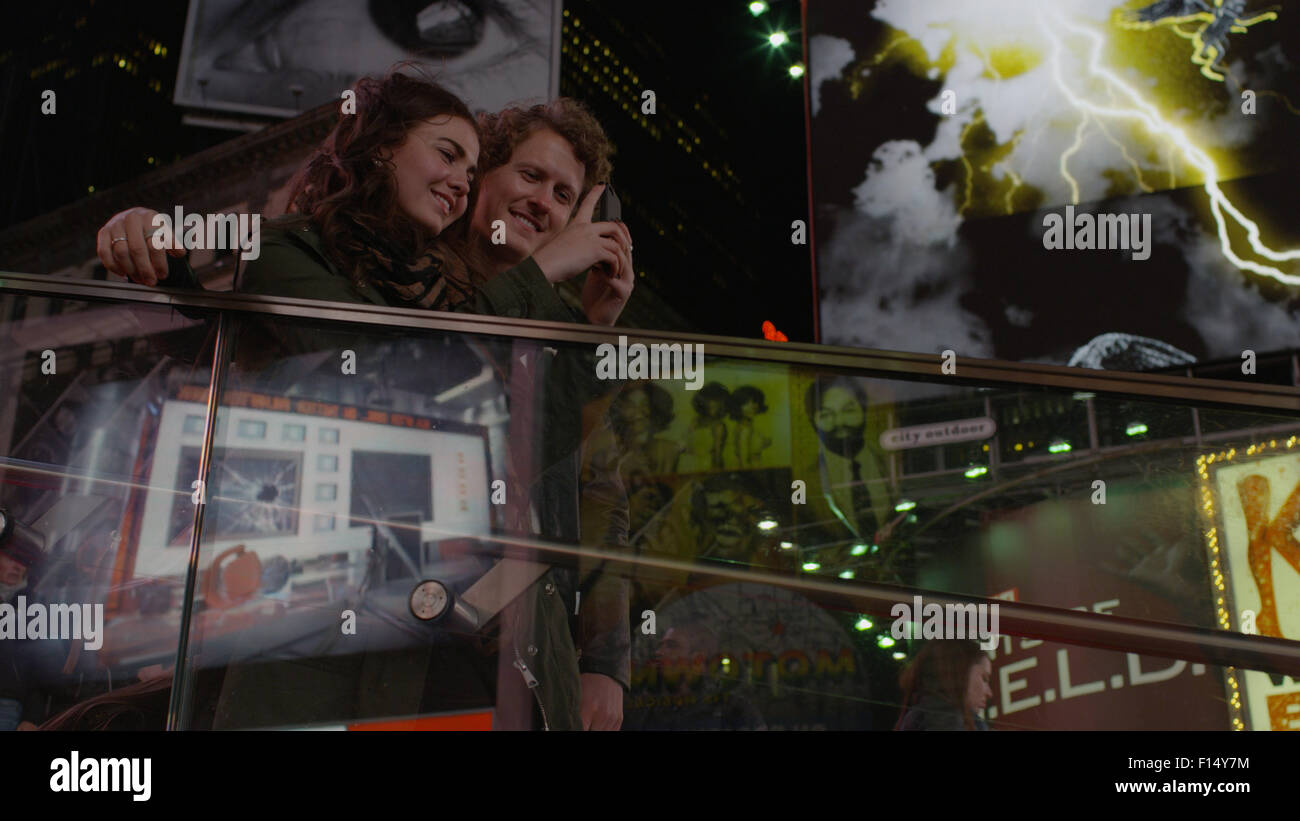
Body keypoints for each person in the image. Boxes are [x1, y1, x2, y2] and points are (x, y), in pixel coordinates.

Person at [93, 69, 634, 730]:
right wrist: (154, 236)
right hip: (343, 632)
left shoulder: (559, 325)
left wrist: (604, 660)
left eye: (564, 195)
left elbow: (597, 499)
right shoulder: (392, 263)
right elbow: (271, 339)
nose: (543, 201)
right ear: (481, 183)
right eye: (528, 176)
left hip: (499, 655)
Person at [894, 640, 992, 731]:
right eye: (984, 679)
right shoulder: (947, 720)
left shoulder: (918, 717)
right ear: (960, 674)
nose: (989, 693)